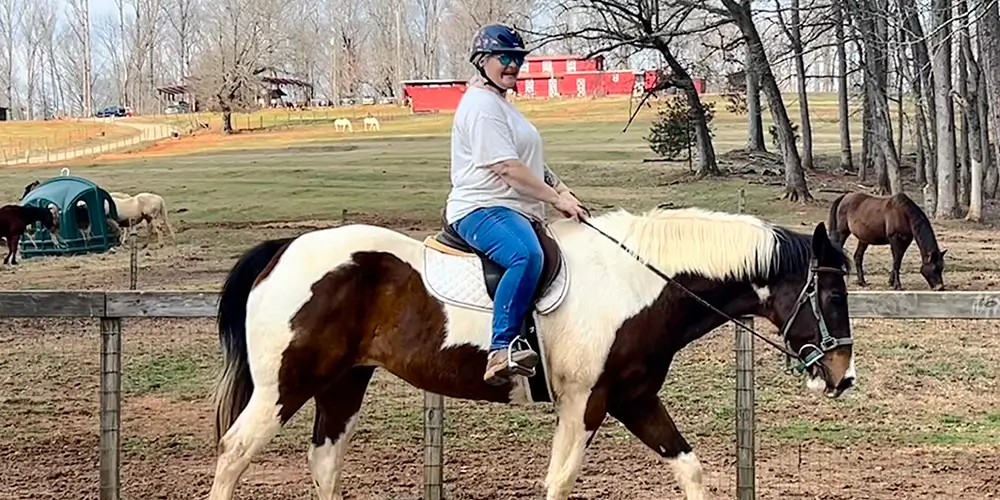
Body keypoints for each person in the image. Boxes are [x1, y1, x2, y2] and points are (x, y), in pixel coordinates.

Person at [445, 23, 588, 386]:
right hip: (482, 208)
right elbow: (507, 168)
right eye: (503, 58)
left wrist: (562, 190)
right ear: (481, 61)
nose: (512, 66)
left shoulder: (502, 105)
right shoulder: (480, 106)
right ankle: (501, 349)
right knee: (526, 255)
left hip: (514, 207)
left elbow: (526, 161)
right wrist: (554, 198)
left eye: (517, 59)